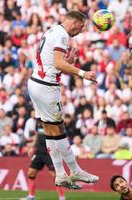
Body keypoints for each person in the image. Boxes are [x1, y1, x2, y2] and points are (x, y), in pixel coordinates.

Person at [27, 10, 98, 190]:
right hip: (47, 87)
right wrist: (83, 73)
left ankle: (60, 174)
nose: (80, 31)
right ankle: (75, 170)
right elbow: (58, 64)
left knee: (50, 130)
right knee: (59, 130)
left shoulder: (51, 31)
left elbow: (54, 62)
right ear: (74, 22)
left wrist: (68, 61)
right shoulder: (62, 35)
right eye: (81, 27)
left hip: (35, 83)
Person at [19, 121, 66, 200]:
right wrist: (32, 147)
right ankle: (31, 197)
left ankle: (62, 199)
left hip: (49, 153)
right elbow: (37, 136)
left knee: (54, 176)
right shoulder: (38, 122)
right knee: (31, 173)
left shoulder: (52, 121)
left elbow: (59, 136)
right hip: (39, 153)